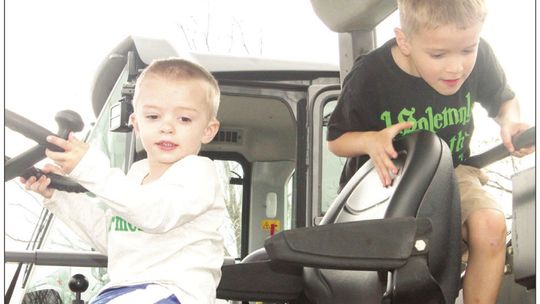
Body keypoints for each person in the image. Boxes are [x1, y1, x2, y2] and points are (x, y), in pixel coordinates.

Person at [326, 0, 534, 303]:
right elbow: (337, 140)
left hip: (453, 172)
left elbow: (505, 101)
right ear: (404, 41)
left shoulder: (481, 57)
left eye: (467, 50)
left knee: (490, 225)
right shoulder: (371, 74)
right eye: (438, 54)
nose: (456, 67)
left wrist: (510, 121)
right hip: (389, 183)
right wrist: (370, 140)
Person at [22, 58, 226, 304]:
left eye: (184, 119)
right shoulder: (137, 175)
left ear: (208, 130)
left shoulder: (198, 173)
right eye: (153, 116)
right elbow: (111, 238)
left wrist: (89, 167)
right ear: (136, 125)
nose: (167, 127)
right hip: (125, 290)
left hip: (173, 292)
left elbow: (154, 214)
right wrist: (57, 197)